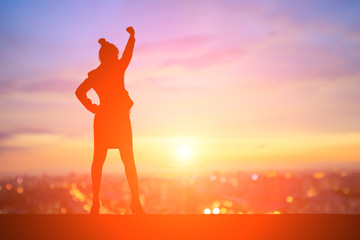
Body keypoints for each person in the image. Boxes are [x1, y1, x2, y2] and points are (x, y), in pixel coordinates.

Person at [75, 26, 145, 215]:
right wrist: (132, 37)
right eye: (115, 55)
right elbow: (128, 54)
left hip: (103, 119)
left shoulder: (96, 75)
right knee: (128, 161)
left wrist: (93, 108)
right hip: (120, 120)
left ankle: (96, 204)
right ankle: (135, 203)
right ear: (112, 56)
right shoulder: (117, 68)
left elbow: (79, 92)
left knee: (98, 162)